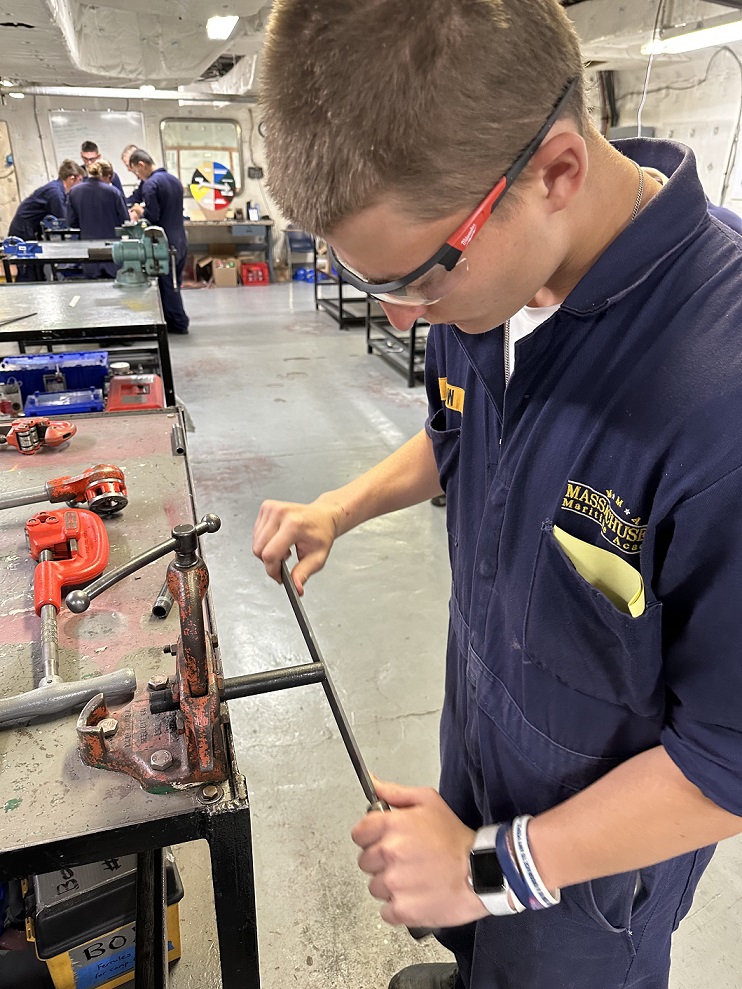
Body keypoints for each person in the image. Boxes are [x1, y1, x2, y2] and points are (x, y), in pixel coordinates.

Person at [252, 2, 742, 989]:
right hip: (481, 729)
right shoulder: (490, 274)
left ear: (555, 172)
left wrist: (488, 866)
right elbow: (465, 430)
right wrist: (339, 505)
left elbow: (725, 761)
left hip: (594, 858)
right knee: (484, 949)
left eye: (418, 279)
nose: (398, 314)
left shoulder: (719, 395)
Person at [128, 149, 189, 334]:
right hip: (181, 239)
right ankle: (172, 320)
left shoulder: (151, 184)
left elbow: (153, 216)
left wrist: (139, 212)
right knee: (174, 282)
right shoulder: (173, 180)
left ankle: (179, 323)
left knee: (167, 284)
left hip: (165, 242)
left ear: (141, 165)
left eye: (136, 172)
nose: (138, 176)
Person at [67, 159, 128, 278]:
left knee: (93, 290)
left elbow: (72, 222)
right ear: (108, 176)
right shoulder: (114, 192)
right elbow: (124, 221)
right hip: (112, 253)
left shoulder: (74, 192)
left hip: (89, 253)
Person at [7, 159, 83, 242]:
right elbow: (63, 220)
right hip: (24, 230)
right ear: (71, 179)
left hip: (30, 228)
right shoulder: (55, 193)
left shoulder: (57, 189)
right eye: (80, 180)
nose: (81, 184)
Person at [121, 144, 145, 213]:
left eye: (129, 165)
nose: (128, 169)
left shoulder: (152, 182)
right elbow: (136, 198)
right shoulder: (143, 182)